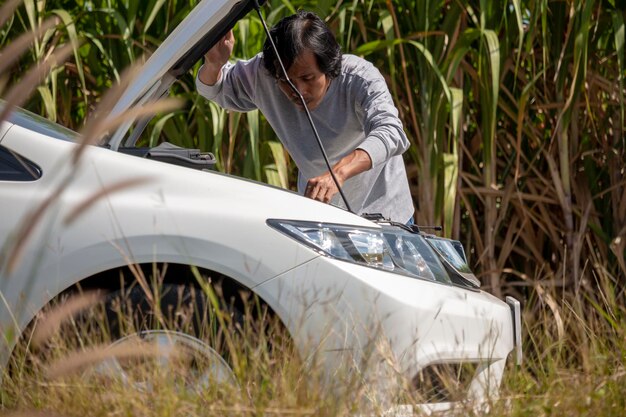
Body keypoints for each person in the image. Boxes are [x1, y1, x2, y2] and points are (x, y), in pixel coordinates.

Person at [196, 11, 414, 224]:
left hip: (387, 217)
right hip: (322, 218)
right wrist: (214, 65)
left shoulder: (359, 78)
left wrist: (338, 173)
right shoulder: (265, 72)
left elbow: (391, 131)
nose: (297, 90)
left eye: (307, 78)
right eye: (285, 80)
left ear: (329, 66)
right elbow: (216, 88)